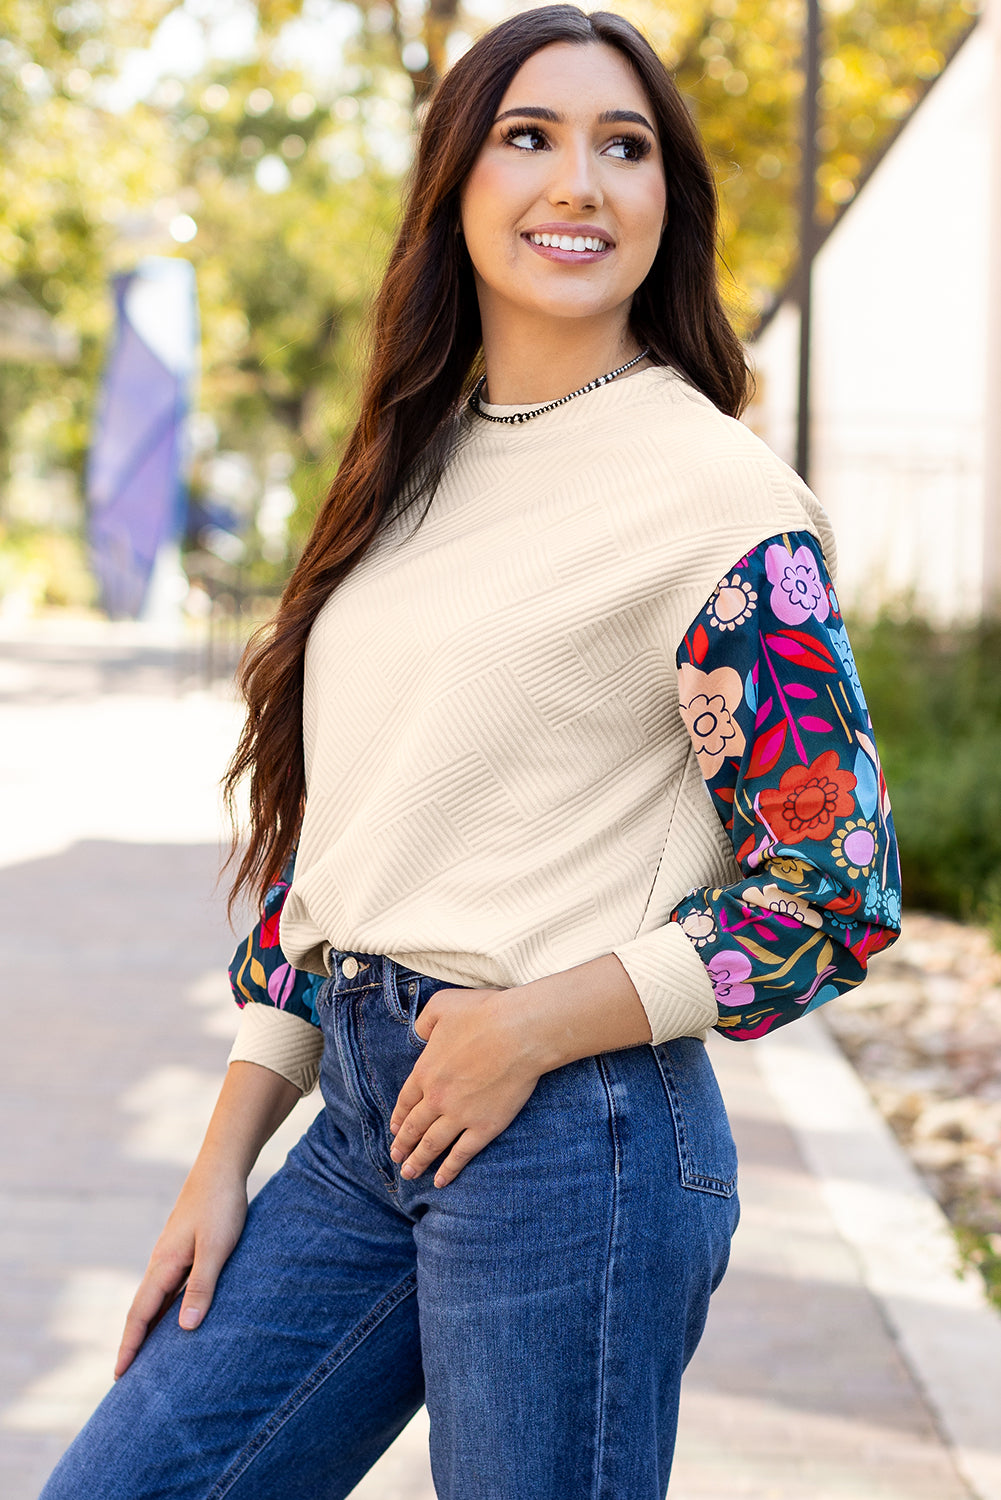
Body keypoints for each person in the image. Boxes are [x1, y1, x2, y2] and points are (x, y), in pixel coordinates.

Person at [41, 6, 901, 1497]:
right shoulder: (411, 463)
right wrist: (221, 1158)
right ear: (454, 184)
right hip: (364, 1113)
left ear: (667, 201)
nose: (579, 182)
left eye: (623, 147)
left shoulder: (717, 503)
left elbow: (836, 879)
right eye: (529, 137)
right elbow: (346, 844)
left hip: (578, 1134)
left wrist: (537, 1025)